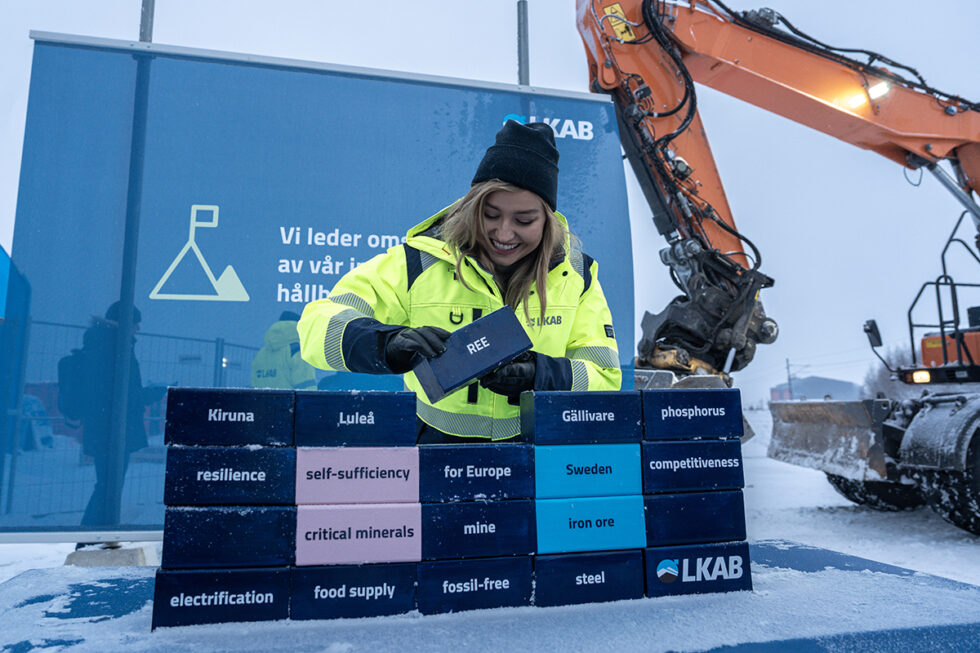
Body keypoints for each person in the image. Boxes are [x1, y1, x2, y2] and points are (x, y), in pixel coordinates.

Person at [298, 120, 621, 442]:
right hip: (435, 452)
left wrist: (539, 375)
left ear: (547, 220)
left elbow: (605, 377)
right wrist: (388, 344)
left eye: (524, 220)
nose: (504, 233)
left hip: (539, 454)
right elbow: (317, 326)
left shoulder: (577, 275)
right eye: (490, 215)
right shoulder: (416, 262)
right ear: (470, 207)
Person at [76, 302, 165, 533]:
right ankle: (90, 535)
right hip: (111, 429)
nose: (138, 328)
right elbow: (125, 394)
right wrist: (153, 393)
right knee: (109, 485)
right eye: (135, 323)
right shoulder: (114, 348)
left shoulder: (101, 343)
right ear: (125, 323)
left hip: (103, 426)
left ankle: (92, 533)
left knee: (107, 485)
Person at [251, 311, 317, 389]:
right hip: (288, 401)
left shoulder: (261, 354)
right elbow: (307, 389)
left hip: (261, 401)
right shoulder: (297, 351)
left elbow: (255, 386)